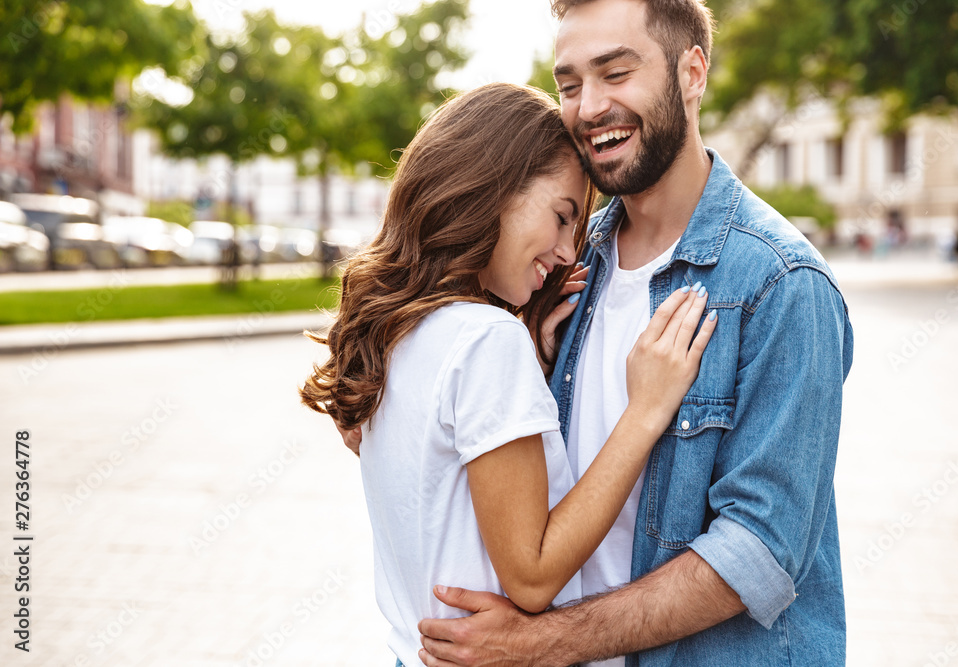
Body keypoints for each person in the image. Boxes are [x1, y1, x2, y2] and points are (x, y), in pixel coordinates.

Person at [416, 1, 855, 665]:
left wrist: (544, 642)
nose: (588, 107)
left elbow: (759, 550)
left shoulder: (780, 282)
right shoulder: (564, 264)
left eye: (616, 73)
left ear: (692, 73)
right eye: (568, 85)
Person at [299, 83, 717, 667]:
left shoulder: (398, 331)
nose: (572, 252)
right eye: (563, 216)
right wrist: (644, 411)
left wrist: (533, 367)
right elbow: (532, 576)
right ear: (493, 188)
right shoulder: (486, 341)